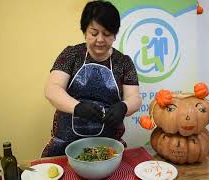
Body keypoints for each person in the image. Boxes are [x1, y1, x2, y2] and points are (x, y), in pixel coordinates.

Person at [41, 0, 142, 157]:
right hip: (65, 144)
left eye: (107, 34)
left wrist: (124, 107)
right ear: (85, 31)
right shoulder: (71, 55)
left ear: (115, 34)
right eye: (94, 33)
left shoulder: (124, 62)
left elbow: (134, 98)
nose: (100, 39)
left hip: (108, 146)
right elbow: (52, 89)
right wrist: (78, 107)